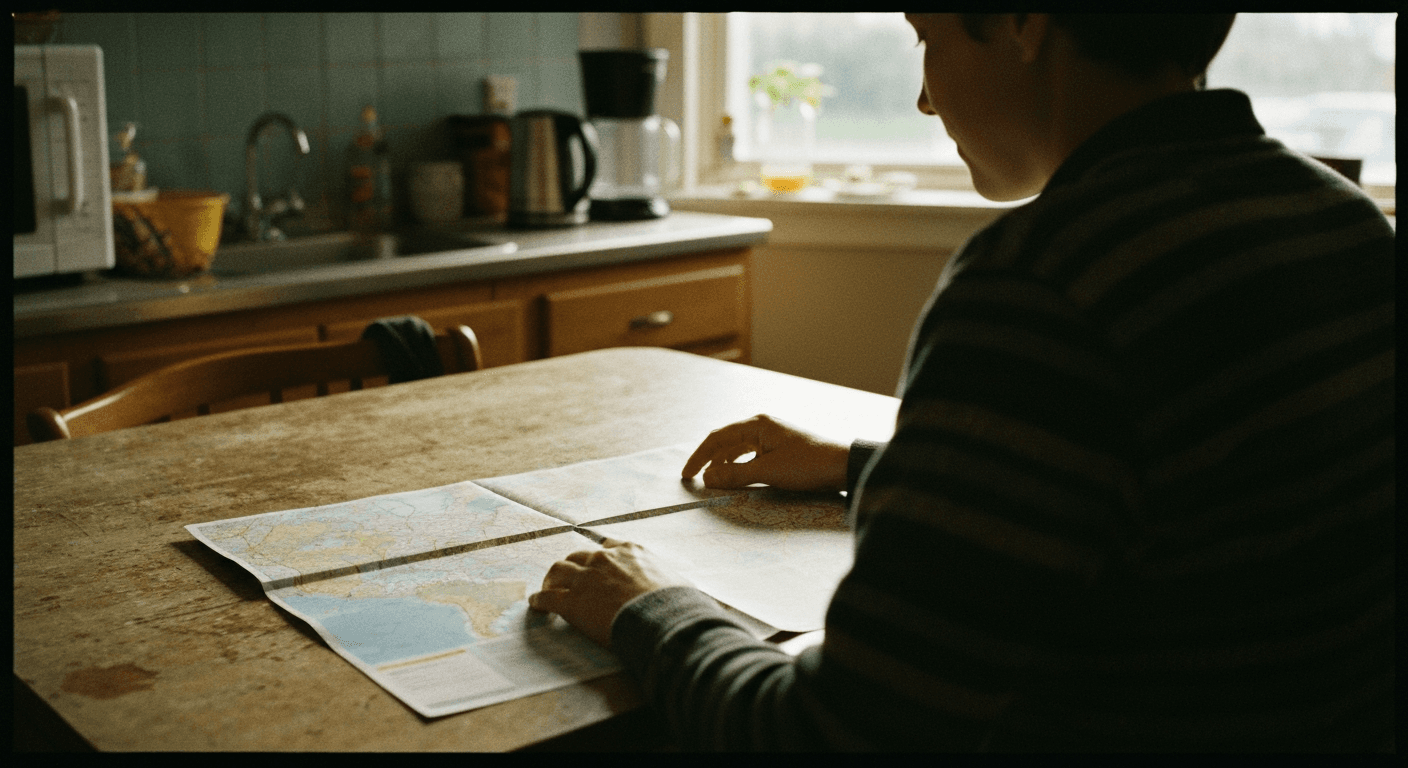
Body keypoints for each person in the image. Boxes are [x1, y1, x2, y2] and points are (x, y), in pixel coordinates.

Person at [529, 13, 1395, 751]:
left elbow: (837, 734)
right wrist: (867, 465)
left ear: (1023, 22)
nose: (925, 97)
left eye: (924, 37)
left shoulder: (1040, 282)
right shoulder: (1336, 220)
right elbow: (1191, 504)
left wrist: (652, 607)